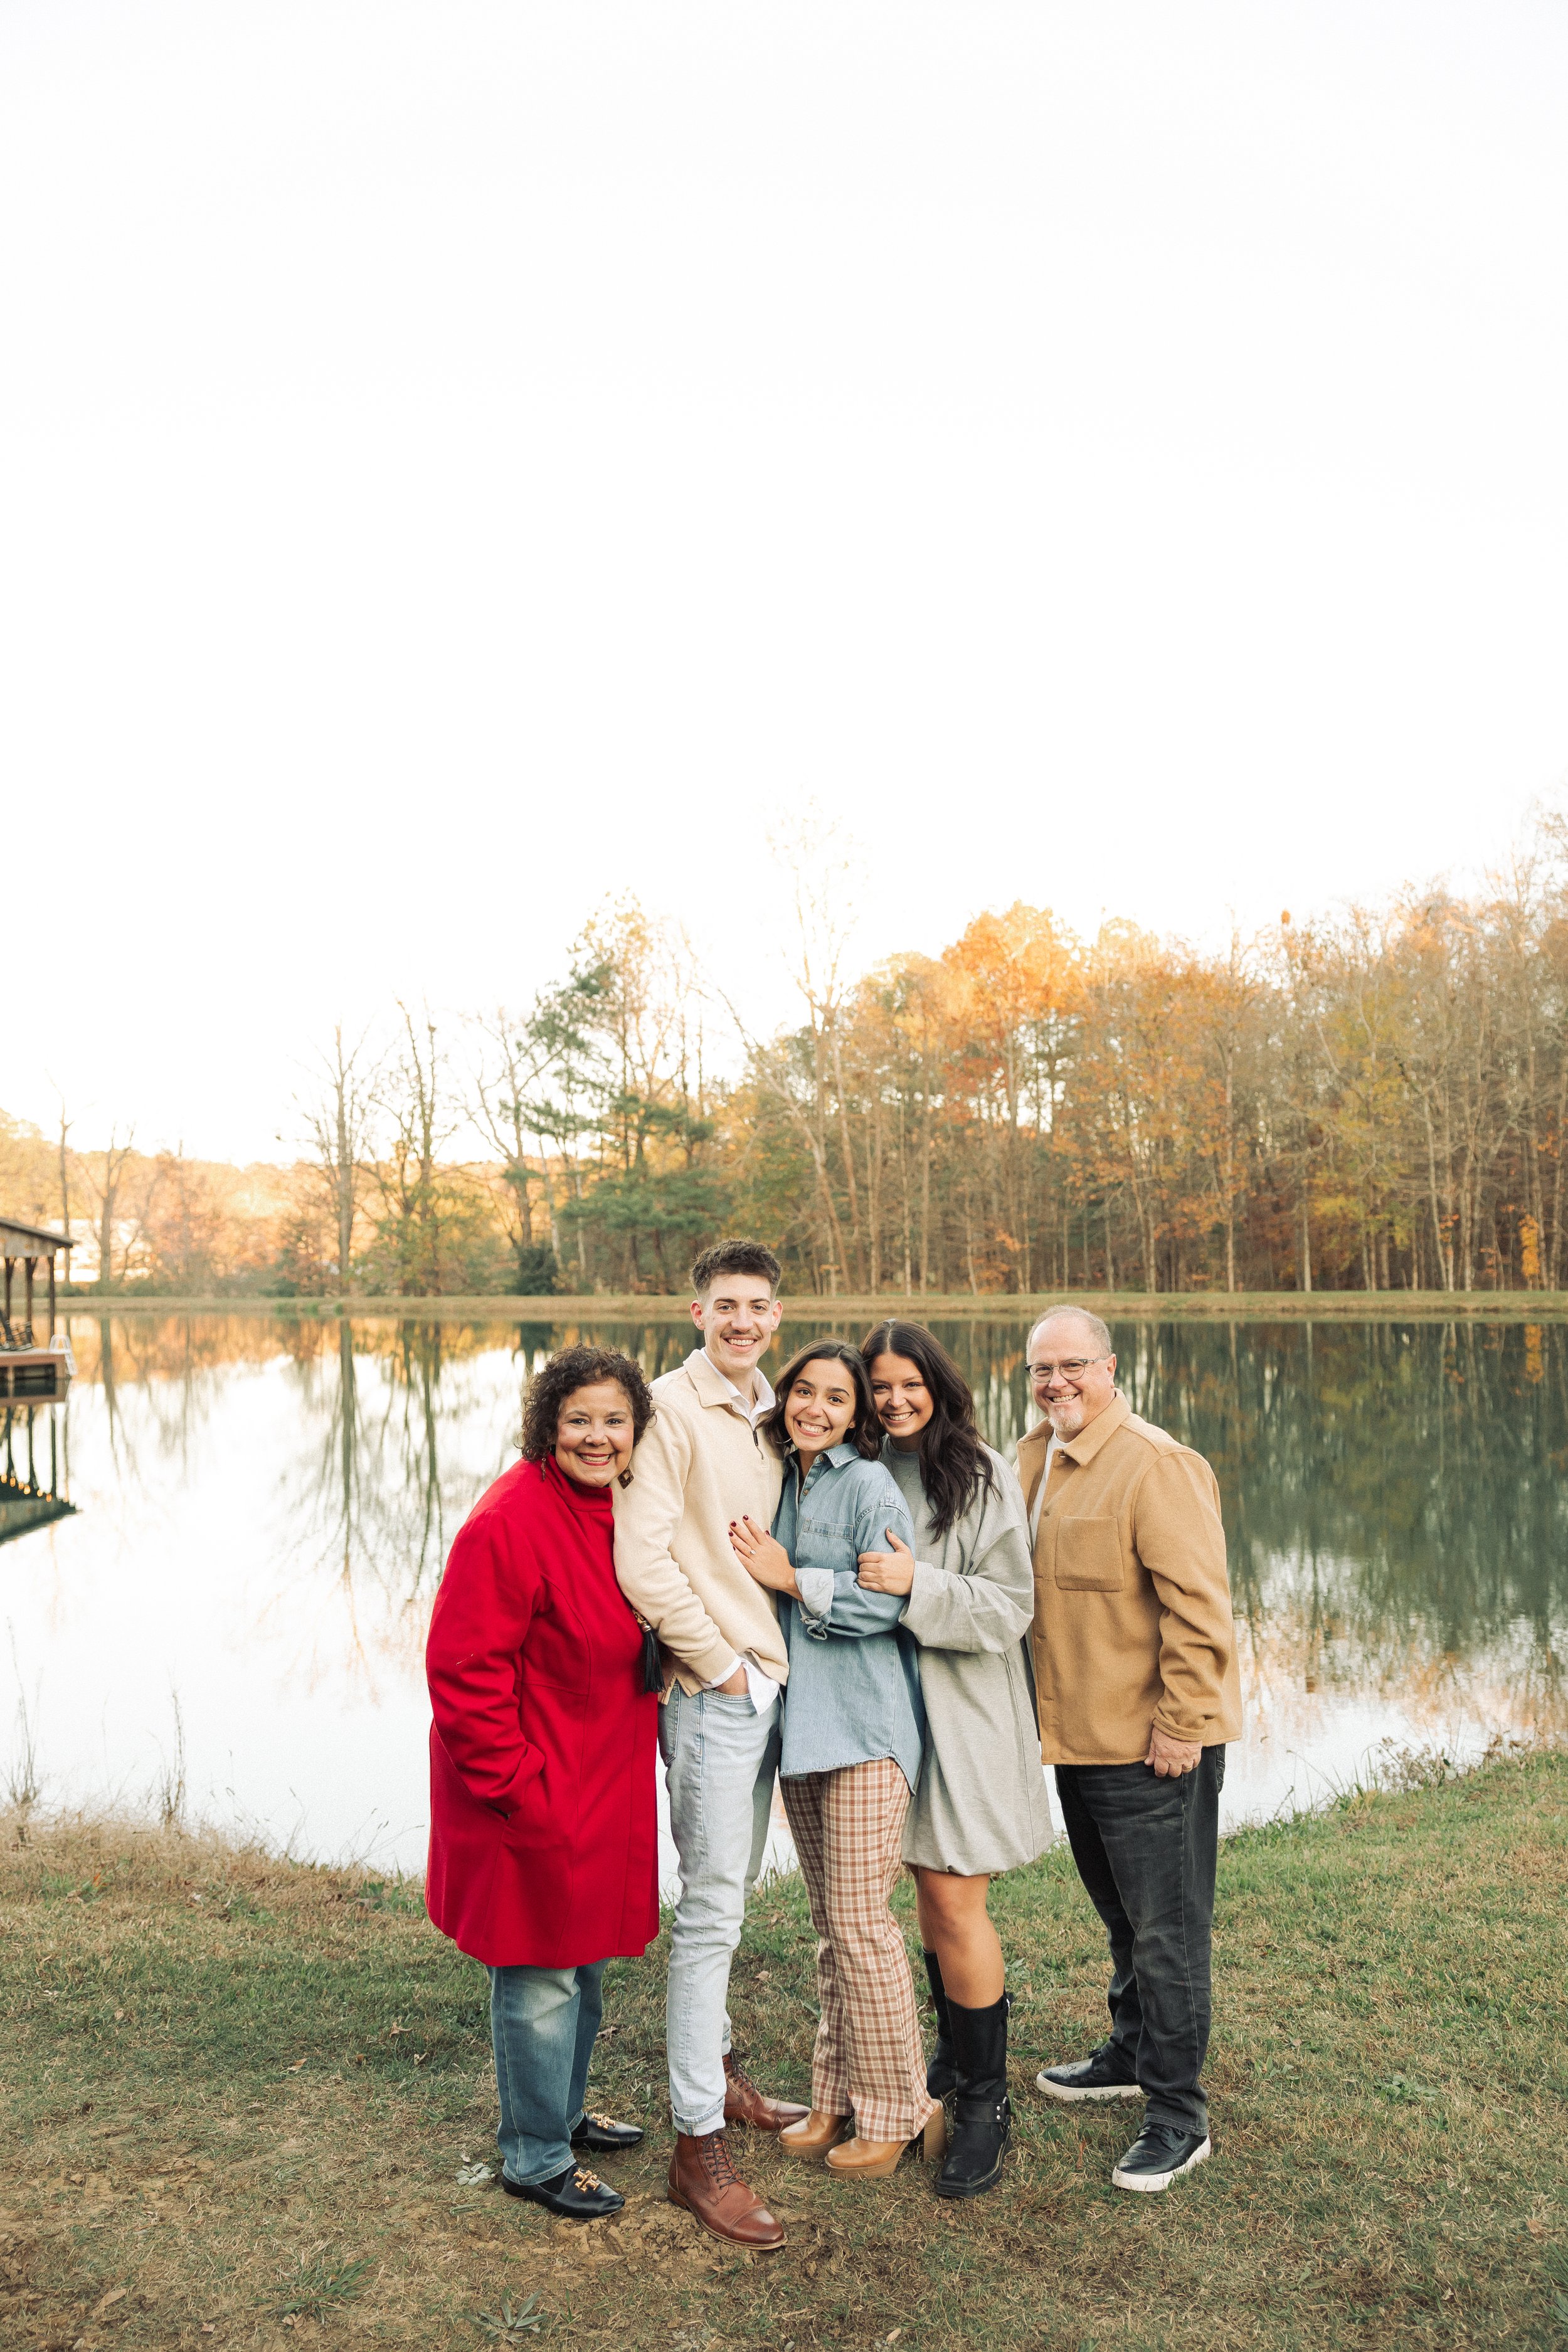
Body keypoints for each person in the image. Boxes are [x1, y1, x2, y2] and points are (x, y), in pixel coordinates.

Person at [425, 1345, 659, 2221]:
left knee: (582, 1961)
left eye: (615, 1421)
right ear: (546, 1426)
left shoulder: (623, 1510)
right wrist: (521, 1790)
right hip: (534, 1785)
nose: (598, 1438)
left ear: (637, 1431)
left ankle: (560, 2112)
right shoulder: (511, 1520)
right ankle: (533, 2155)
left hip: (601, 1778)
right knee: (538, 1974)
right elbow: (461, 1671)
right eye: (579, 1420)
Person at [1019, 1305, 1241, 2193]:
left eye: (1074, 1365)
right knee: (1122, 1918)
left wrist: (1183, 1722)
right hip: (1079, 1738)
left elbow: (1201, 1608)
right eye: (1042, 1368)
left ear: (1110, 1367)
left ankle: (1177, 2113)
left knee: (1168, 1931)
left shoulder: (1155, 1464)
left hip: (1156, 1750)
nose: (1057, 1382)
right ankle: (1128, 2050)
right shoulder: (1033, 1458)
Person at [613, 1240, 805, 2254]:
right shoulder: (669, 1406)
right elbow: (641, 1558)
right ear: (697, 1313)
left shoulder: (771, 1408)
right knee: (710, 1912)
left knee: (728, 1896)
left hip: (764, 1678)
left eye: (758, 1305)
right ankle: (695, 2145)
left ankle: (719, 2076)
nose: (741, 1320)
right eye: (724, 1305)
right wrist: (719, 1665)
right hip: (716, 1688)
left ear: (776, 1316)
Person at [729, 1340, 945, 2181]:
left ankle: (903, 2110)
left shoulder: (866, 1484)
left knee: (862, 1927)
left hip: (864, 1732)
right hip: (805, 1734)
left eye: (834, 1397)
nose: (815, 1407)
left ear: (858, 1414)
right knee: (832, 1932)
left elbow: (889, 1600)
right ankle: (836, 2095)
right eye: (803, 1392)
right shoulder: (793, 1479)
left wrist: (794, 1581)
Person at [854, 1320, 1051, 2198]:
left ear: (939, 1384)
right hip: (882, 1716)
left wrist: (915, 1588)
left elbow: (1010, 1606)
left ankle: (983, 2103)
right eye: (881, 1384)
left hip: (964, 1716)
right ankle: (951, 2051)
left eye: (911, 1383)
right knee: (925, 1900)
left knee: (952, 1895)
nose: (896, 1399)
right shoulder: (855, 1467)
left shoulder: (977, 1473)